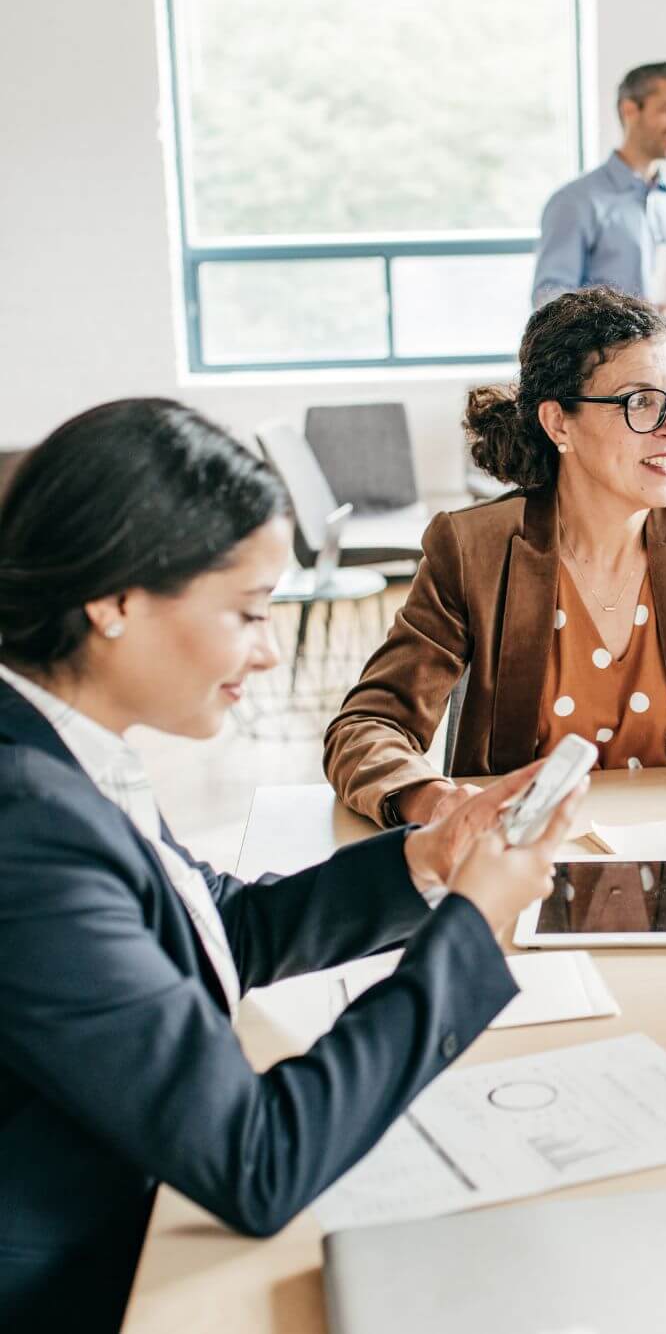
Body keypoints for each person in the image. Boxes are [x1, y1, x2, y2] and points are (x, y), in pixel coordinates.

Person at [0, 400, 580, 1329]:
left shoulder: (61, 747)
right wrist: (473, 927)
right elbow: (256, 1161)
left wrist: (430, 863)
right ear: (112, 601)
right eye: (245, 612)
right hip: (95, 1279)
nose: (269, 651)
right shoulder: (27, 824)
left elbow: (204, 927)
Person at [325, 286, 666, 850]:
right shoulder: (474, 549)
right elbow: (367, 726)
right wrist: (437, 801)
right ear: (558, 423)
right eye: (640, 402)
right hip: (529, 867)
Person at [531, 61, 666, 482]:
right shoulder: (577, 202)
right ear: (629, 110)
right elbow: (549, 299)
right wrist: (631, 312)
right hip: (612, 391)